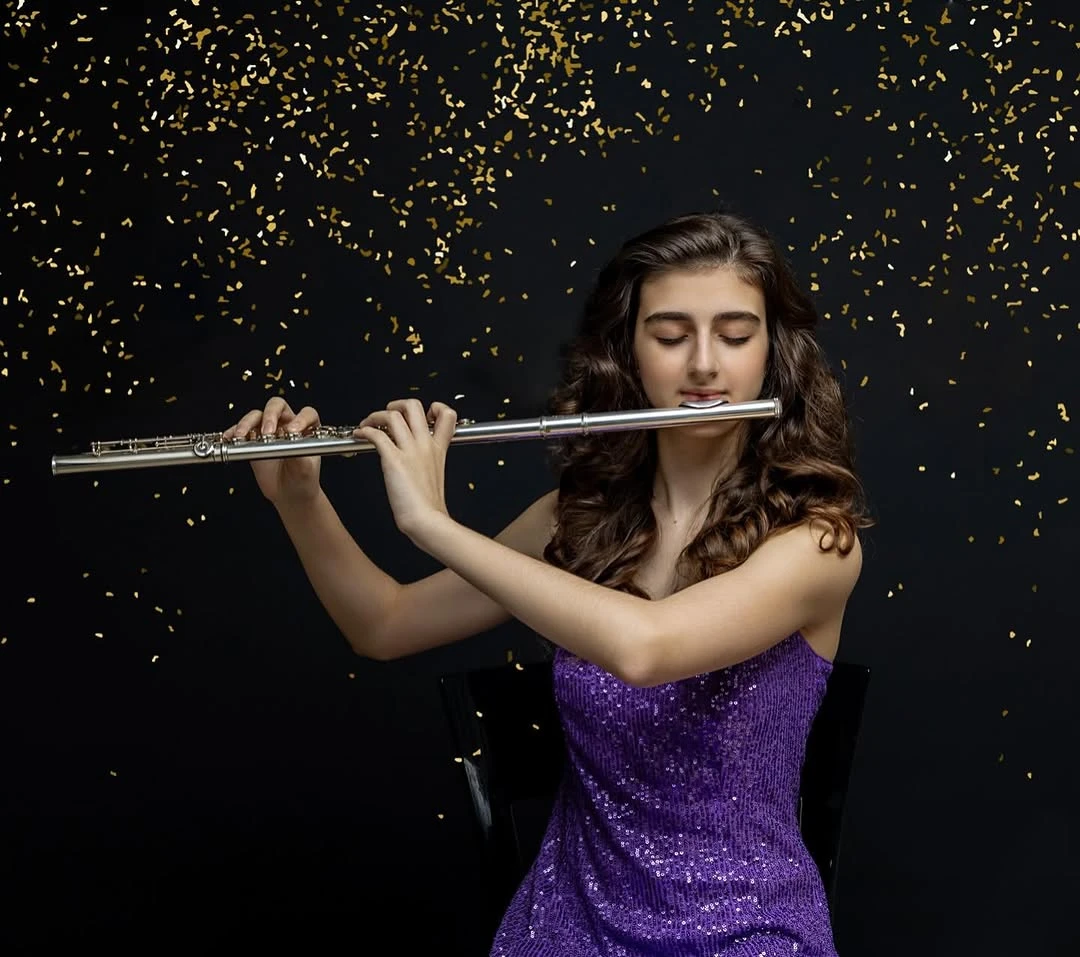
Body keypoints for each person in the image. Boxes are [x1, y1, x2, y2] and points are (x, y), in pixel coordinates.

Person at [224, 208, 874, 956]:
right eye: (669, 335)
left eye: (735, 335)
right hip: (568, 921)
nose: (703, 364)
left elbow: (646, 647)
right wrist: (301, 500)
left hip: (745, 928)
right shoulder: (574, 520)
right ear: (628, 352)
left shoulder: (817, 544)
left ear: (772, 354)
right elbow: (383, 622)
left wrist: (431, 522)